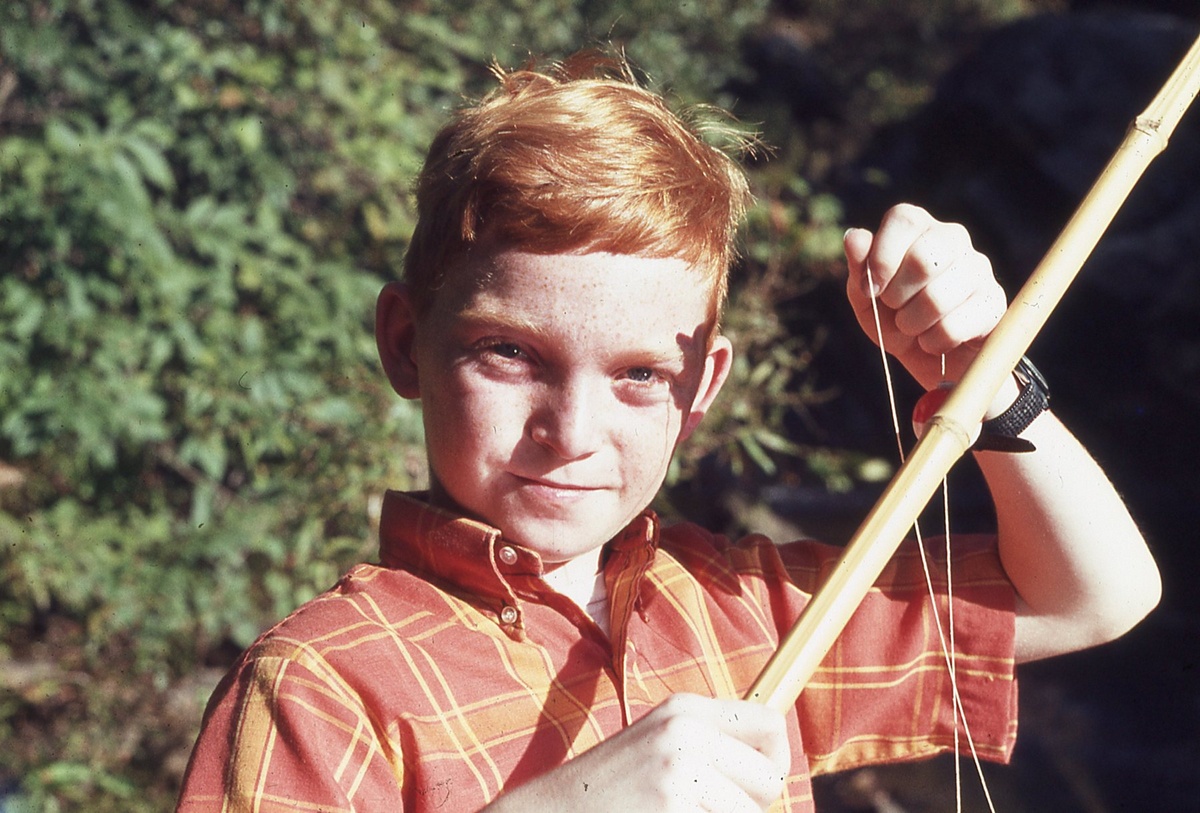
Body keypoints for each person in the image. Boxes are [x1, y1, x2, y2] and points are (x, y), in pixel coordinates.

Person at [176, 51, 1160, 812]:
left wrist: (984, 381)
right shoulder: (320, 685)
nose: (571, 431)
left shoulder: (750, 612)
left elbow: (1092, 596)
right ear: (405, 343)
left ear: (701, 388)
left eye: (640, 375)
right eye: (509, 353)